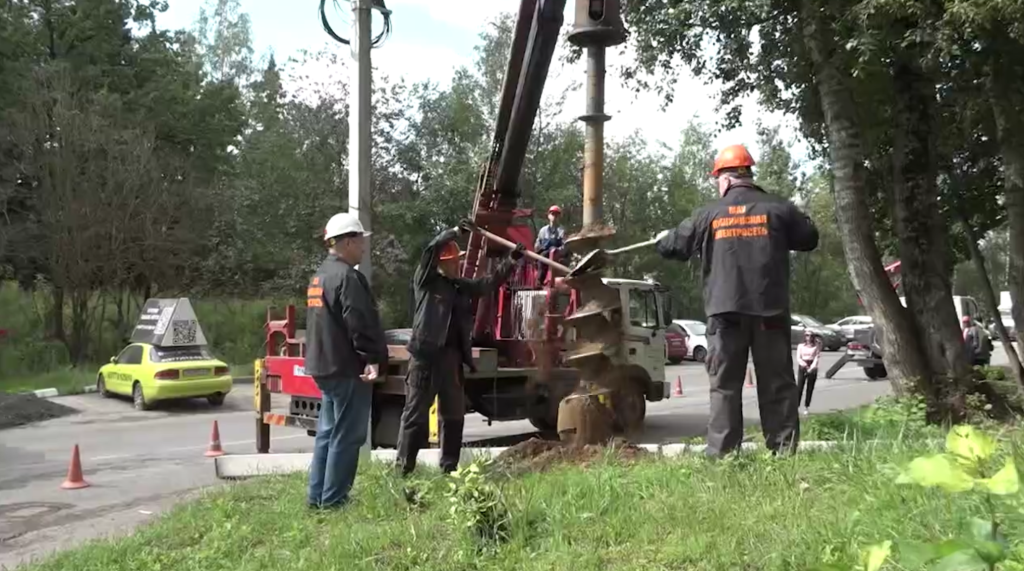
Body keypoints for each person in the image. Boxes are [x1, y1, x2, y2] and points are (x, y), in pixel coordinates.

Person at [653, 144, 819, 457]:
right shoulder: (777, 208)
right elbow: (809, 238)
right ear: (749, 175)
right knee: (778, 384)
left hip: (725, 313)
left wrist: (664, 239)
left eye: (717, 180)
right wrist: (795, 216)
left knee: (725, 385)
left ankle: (723, 455)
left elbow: (675, 245)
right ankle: (783, 452)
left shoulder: (709, 215)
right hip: (769, 310)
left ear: (725, 179)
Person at [396, 220, 525, 475]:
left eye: (459, 259)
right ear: (442, 263)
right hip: (426, 359)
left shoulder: (460, 287)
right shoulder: (426, 281)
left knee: (454, 417)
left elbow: (487, 283)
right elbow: (430, 250)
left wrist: (511, 260)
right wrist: (454, 232)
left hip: (452, 361)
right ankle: (403, 471)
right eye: (454, 260)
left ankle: (449, 469)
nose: (459, 263)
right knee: (415, 416)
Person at [304, 212, 388, 509]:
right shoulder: (348, 278)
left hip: (323, 365)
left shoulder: (320, 276)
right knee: (348, 436)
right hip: (346, 368)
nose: (363, 248)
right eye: (361, 242)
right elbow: (359, 323)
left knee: (327, 434)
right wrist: (372, 359)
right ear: (348, 241)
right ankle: (335, 501)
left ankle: (317, 499)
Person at [534, 205, 567, 286]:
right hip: (543, 255)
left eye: (557, 214)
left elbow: (565, 247)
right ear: (548, 216)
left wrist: (555, 250)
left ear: (559, 217)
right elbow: (537, 245)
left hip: (556, 257)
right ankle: (539, 280)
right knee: (542, 255)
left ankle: (540, 280)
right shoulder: (543, 231)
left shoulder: (562, 231)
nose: (554, 216)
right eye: (552, 214)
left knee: (546, 254)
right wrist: (540, 248)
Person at [795, 331, 821, 416]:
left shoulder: (816, 346)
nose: (808, 337)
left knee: (809, 388)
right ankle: (796, 406)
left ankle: (806, 406)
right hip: (803, 366)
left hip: (812, 367)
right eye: (806, 335)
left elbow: (817, 358)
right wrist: (805, 365)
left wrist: (811, 368)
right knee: (799, 387)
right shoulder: (800, 346)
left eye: (810, 336)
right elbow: (798, 358)